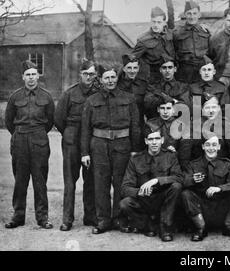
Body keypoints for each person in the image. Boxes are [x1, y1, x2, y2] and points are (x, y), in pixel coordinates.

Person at [80, 65, 141, 234]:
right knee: (101, 183)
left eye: (113, 77)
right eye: (106, 78)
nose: (110, 81)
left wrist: (135, 150)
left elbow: (136, 126)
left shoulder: (129, 98)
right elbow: (85, 129)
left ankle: (119, 219)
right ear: (100, 80)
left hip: (122, 144)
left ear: (117, 78)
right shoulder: (92, 100)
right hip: (99, 145)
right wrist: (84, 152)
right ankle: (103, 220)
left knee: (120, 182)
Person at [4, 60, 55, 229]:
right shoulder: (15, 97)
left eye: (34, 74)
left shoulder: (46, 97)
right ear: (22, 77)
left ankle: (42, 217)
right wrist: (20, 135)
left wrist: (37, 133)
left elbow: (49, 121)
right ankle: (18, 216)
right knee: (20, 180)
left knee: (40, 181)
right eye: (28, 75)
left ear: (38, 76)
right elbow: (9, 122)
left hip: (39, 140)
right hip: (20, 140)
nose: (31, 78)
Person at [54, 59, 98, 231]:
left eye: (92, 74)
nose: (88, 77)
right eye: (86, 74)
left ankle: (90, 215)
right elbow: (58, 119)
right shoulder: (69, 93)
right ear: (80, 74)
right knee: (70, 181)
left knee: (91, 180)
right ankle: (67, 219)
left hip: (91, 140)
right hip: (72, 139)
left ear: (95, 76)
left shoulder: (98, 92)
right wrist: (69, 133)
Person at [120, 126, 183, 242]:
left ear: (162, 140)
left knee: (176, 187)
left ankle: (165, 229)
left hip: (164, 199)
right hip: (144, 200)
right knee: (125, 203)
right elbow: (124, 188)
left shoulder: (170, 156)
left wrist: (158, 180)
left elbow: (179, 178)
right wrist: (139, 191)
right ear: (146, 141)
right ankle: (148, 225)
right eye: (151, 139)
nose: (154, 142)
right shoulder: (136, 159)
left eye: (157, 139)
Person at [181, 134, 230, 241]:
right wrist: (193, 180)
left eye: (214, 145)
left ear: (219, 147)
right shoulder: (193, 165)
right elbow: (182, 181)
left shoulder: (227, 164)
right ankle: (200, 228)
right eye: (207, 145)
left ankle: (229, 226)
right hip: (202, 209)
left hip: (222, 208)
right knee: (186, 193)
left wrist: (220, 188)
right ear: (203, 146)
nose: (211, 148)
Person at [178, 94, 230, 171]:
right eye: (207, 107)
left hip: (223, 169)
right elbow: (185, 152)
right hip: (198, 169)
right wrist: (190, 172)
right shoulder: (192, 125)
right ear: (202, 109)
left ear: (219, 108)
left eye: (214, 107)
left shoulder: (226, 124)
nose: (211, 111)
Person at [132, 6, 175, 84]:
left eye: (159, 22)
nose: (155, 25)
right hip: (154, 79)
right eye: (153, 22)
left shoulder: (171, 34)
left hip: (172, 77)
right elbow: (131, 59)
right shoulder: (143, 40)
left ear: (164, 23)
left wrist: (203, 27)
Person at [173, 1, 210, 83]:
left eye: (194, 13)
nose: (192, 16)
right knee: (185, 94)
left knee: (199, 94)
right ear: (185, 14)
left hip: (202, 71)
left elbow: (211, 52)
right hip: (184, 72)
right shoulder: (177, 32)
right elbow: (173, 52)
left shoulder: (206, 31)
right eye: (189, 13)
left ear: (199, 15)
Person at [144, 54, 190, 120]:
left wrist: (171, 100)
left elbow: (185, 107)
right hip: (156, 123)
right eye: (164, 68)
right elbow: (147, 104)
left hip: (177, 122)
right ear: (160, 70)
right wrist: (164, 98)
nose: (167, 70)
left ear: (175, 69)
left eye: (170, 67)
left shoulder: (183, 87)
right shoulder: (152, 86)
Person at [117, 53, 148, 135]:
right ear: (124, 69)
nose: (132, 71)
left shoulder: (143, 84)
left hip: (139, 125)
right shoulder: (117, 85)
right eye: (129, 68)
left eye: (135, 68)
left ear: (138, 69)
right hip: (121, 126)